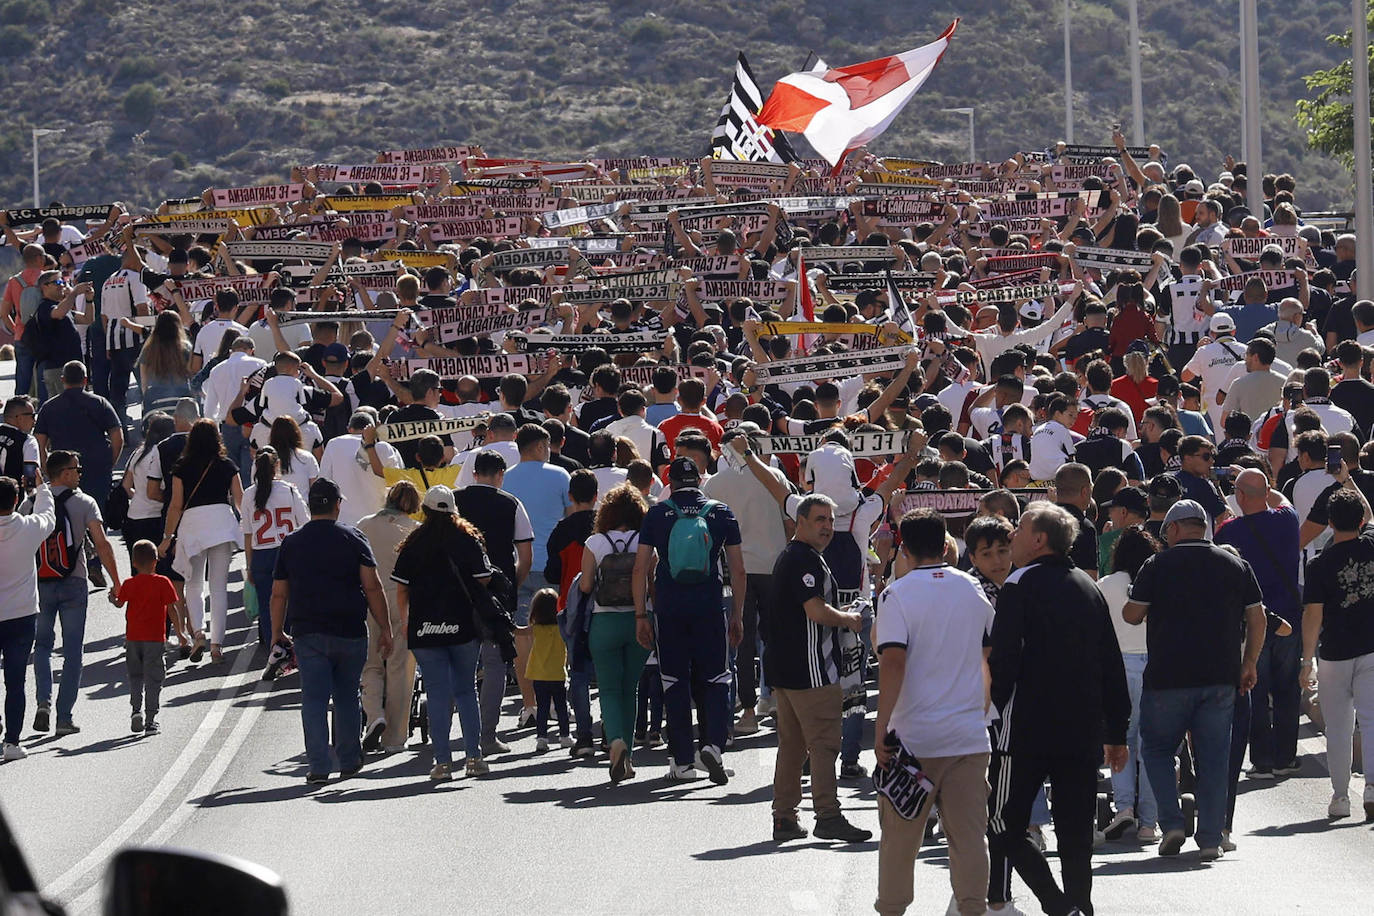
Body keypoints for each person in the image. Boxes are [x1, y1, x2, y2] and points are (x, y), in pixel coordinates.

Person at [988, 503, 1130, 916]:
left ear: (1039, 540)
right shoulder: (1089, 588)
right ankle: (1080, 907)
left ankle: (1057, 905)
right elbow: (1111, 663)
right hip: (1082, 729)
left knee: (1003, 824)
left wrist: (986, 717)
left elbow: (1004, 662)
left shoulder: (1018, 584)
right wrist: (1116, 731)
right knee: (1075, 835)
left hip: (1026, 729)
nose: (1011, 536)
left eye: (1019, 529)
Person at [1123, 499, 1267, 859]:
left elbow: (1131, 615)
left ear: (1172, 529)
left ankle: (1171, 823)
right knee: (1215, 757)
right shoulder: (1235, 564)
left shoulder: (1156, 564)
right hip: (1220, 676)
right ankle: (1210, 839)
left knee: (1155, 749)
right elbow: (1258, 618)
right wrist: (1249, 662)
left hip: (1167, 678)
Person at [873, 508, 993, 916]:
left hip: (913, 739)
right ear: (947, 544)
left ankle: (891, 909)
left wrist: (881, 726)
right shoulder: (972, 588)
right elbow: (988, 652)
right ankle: (973, 907)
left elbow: (892, 662)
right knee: (969, 837)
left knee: (899, 839)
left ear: (903, 549)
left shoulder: (897, 595)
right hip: (968, 734)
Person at [272, 478, 394, 784]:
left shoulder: (292, 542)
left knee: (313, 699)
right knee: (347, 696)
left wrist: (276, 632)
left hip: (308, 632)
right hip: (350, 629)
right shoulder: (353, 538)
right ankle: (350, 760)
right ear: (337, 504)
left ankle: (318, 765)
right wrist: (386, 628)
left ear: (311, 506)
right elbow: (373, 586)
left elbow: (278, 594)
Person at [633, 457, 745, 783]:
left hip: (669, 608)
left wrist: (642, 614)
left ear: (670, 481)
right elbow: (737, 569)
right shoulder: (721, 512)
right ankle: (712, 745)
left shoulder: (657, 513)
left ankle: (681, 761)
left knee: (674, 681)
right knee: (716, 679)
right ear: (699, 480)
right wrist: (736, 613)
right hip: (710, 606)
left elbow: (641, 569)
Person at [767, 493, 872, 843]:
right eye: (819, 520)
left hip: (789, 668)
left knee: (794, 746)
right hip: (811, 670)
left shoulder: (798, 556)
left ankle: (784, 816)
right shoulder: (803, 559)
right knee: (825, 744)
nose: (827, 526)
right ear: (800, 522)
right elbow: (814, 610)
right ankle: (827, 815)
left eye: (830, 520)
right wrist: (851, 619)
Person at [392, 484, 500, 781]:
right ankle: (474, 757)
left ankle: (442, 763)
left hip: (424, 629)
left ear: (424, 510)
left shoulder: (413, 543)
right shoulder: (468, 539)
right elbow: (485, 578)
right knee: (465, 690)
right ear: (453, 511)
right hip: (464, 626)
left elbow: (401, 589)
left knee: (437, 693)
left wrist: (405, 622)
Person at [1214, 469, 1302, 779]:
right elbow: (1281, 500)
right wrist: (1260, 484)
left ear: (1239, 497)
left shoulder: (1227, 532)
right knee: (1288, 689)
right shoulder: (1287, 520)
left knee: (1257, 686)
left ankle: (1262, 760)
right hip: (1290, 616)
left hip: (1255, 621)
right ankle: (1286, 757)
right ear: (1265, 493)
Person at [32, 449, 122, 737]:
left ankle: (43, 701)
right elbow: (102, 543)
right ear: (65, 473)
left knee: (43, 647)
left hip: (40, 585)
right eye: (76, 468)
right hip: (74, 582)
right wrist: (116, 581)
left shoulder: (32, 502)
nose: (80, 473)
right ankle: (64, 717)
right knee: (73, 651)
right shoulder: (84, 503)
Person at [454, 449, 537, 754]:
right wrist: (510, 586)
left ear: (474, 473)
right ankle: (487, 735)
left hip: (457, 593)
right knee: (495, 663)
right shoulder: (511, 503)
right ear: (501, 475)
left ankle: (457, 730)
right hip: (497, 596)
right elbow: (525, 556)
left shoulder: (454, 501)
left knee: (459, 662)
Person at [1301, 485, 1374, 821]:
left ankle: (1341, 795)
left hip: (1334, 653)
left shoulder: (1319, 564)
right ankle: (1372, 787)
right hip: (1371, 647)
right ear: (1360, 520)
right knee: (1372, 721)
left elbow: (1313, 615)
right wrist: (1349, 480)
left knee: (1339, 727)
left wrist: (1307, 661)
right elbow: (1370, 516)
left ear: (1329, 523)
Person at [1096, 526, 1163, 844]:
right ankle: (1149, 822)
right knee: (1152, 745)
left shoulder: (1105, 586)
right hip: (1155, 665)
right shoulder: (1160, 582)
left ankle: (1124, 807)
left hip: (1116, 666)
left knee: (1120, 738)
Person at [580, 482, 651, 782]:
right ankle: (630, 756)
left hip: (604, 621)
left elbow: (585, 586)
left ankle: (616, 742)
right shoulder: (645, 541)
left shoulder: (595, 543)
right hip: (638, 620)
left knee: (608, 688)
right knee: (630, 688)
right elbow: (652, 582)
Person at [158, 419, 242, 663]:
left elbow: (175, 506)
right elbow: (239, 500)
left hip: (193, 525)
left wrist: (167, 538)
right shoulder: (227, 465)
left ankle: (198, 633)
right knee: (218, 587)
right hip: (221, 524)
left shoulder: (182, 467)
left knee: (193, 585)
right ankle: (217, 644)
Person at [356, 481, 421, 755]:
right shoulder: (414, 531)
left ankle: (373, 715)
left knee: (370, 662)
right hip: (403, 600)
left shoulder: (364, 525)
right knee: (400, 667)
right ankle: (395, 737)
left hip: (371, 597)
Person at [0, 471, 54, 760]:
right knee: (15, 682)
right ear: (17, 500)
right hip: (21, 616)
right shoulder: (29, 528)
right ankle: (12, 742)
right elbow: (48, 513)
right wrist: (42, 486)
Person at [33, 360, 122, 520]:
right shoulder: (100, 403)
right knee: (97, 516)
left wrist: (48, 470)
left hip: (63, 471)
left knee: (66, 518)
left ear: (62, 380)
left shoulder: (49, 407)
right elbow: (117, 437)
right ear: (85, 380)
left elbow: (39, 443)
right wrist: (110, 463)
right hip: (97, 469)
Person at [240, 447, 309, 648]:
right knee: (291, 601)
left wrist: (249, 564)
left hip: (262, 555)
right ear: (277, 466)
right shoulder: (288, 490)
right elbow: (303, 523)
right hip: (288, 552)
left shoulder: (249, 494)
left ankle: (275, 648)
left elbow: (248, 534)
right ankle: (293, 647)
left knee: (268, 606)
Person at [111, 539, 178, 735]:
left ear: (133, 563)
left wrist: (112, 598)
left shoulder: (129, 584)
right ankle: (150, 720)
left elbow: (119, 603)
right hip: (155, 639)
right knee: (154, 679)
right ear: (155, 562)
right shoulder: (162, 582)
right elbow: (172, 608)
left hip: (133, 639)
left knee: (135, 677)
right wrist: (181, 632)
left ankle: (135, 711)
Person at [319, 413, 402, 527]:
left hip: (344, 520)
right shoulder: (385, 447)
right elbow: (397, 485)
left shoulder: (334, 444)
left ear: (349, 428)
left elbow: (323, 481)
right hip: (378, 520)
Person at [520, 588, 572, 754]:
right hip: (557, 674)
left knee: (541, 708)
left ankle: (542, 738)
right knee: (561, 707)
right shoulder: (562, 629)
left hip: (539, 675)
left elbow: (518, 631)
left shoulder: (535, 629)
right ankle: (565, 736)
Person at [135, 310, 194, 416]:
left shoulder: (149, 349)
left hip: (155, 398)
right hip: (182, 397)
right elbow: (191, 373)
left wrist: (147, 397)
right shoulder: (186, 347)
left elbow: (144, 381)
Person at [268, 416, 320, 497]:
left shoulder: (263, 459)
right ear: (296, 433)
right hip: (302, 508)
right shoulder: (308, 458)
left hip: (272, 508)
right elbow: (315, 491)